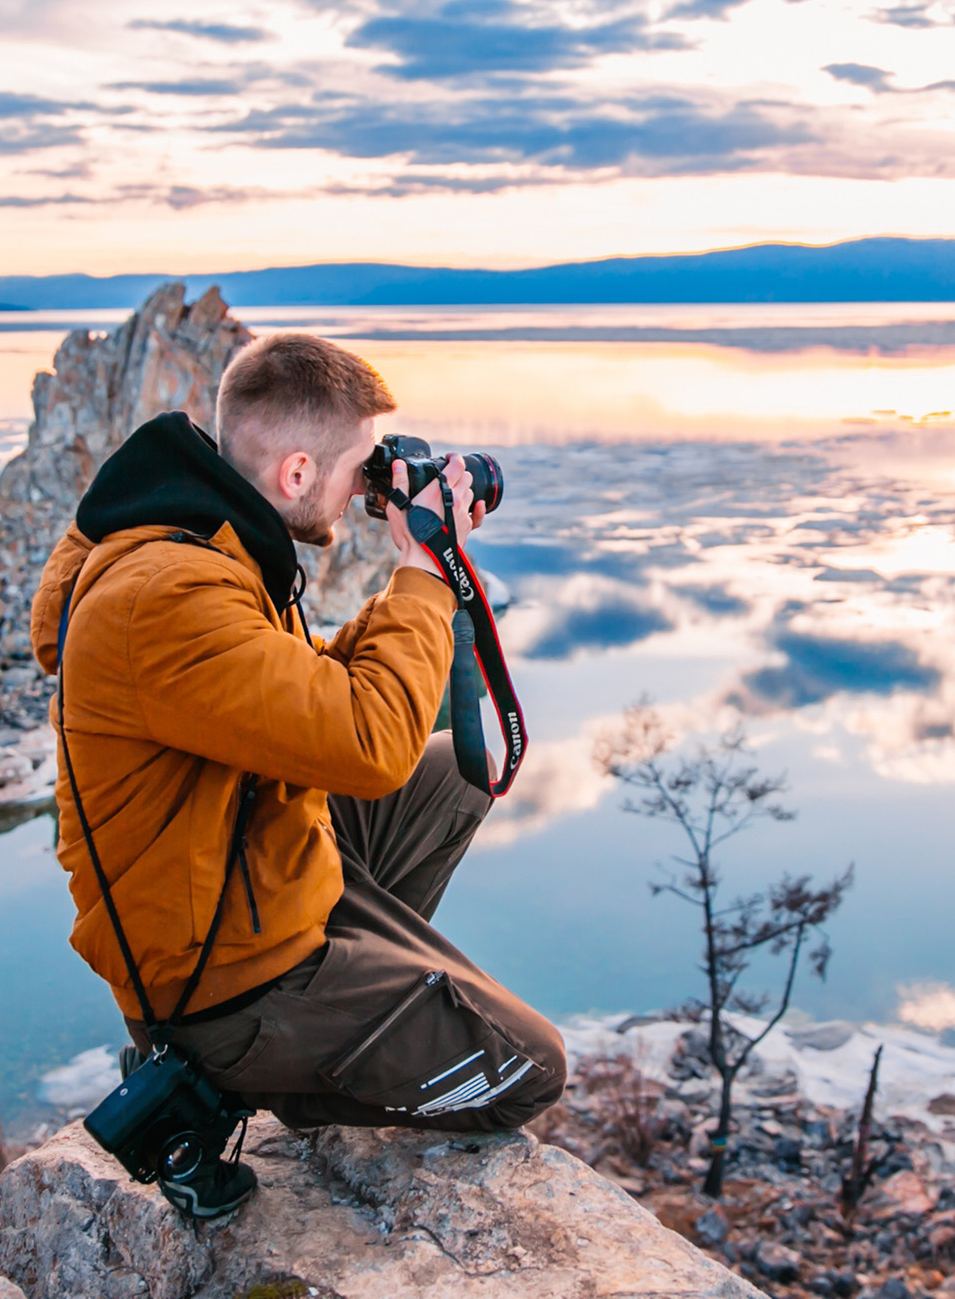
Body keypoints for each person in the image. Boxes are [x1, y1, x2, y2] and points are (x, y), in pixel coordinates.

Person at [29, 332, 566, 1142]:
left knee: (455, 774)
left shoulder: (204, 536)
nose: (363, 491)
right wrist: (424, 571)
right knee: (528, 1069)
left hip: (242, 868)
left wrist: (419, 572)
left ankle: (358, 984)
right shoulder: (168, 596)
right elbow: (368, 742)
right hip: (218, 986)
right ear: (296, 474)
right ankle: (228, 1084)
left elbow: (309, 690)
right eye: (359, 469)